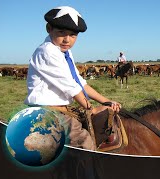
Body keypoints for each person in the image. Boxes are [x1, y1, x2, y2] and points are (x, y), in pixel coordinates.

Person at [24, 6, 121, 151]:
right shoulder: (47, 52)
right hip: (47, 111)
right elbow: (71, 88)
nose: (66, 40)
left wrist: (106, 101)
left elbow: (79, 82)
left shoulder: (64, 52)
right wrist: (92, 110)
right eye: (61, 32)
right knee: (84, 142)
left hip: (61, 109)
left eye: (73, 35)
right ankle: (85, 173)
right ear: (49, 28)